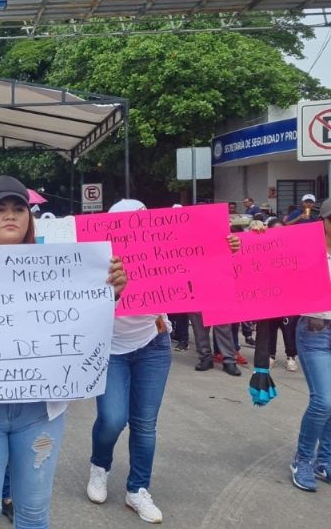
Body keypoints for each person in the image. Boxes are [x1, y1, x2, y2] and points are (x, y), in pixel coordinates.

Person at [0, 176, 127, 528]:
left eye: (18, 209)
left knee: (33, 514)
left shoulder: (60, 268)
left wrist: (111, 294)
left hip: (40, 412)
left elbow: (84, 324)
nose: (10, 216)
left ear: (30, 218)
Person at [86, 198, 238, 524]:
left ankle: (137, 488)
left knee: (144, 423)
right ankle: (100, 464)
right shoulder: (97, 262)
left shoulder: (164, 251)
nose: (134, 235)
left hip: (153, 345)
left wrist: (229, 249)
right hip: (111, 349)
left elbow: (206, 264)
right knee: (112, 419)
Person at [290, 198, 331, 492]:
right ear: (325, 220)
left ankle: (324, 461)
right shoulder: (306, 248)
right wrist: (257, 235)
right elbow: (266, 261)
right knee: (324, 400)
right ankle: (302, 459)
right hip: (315, 330)